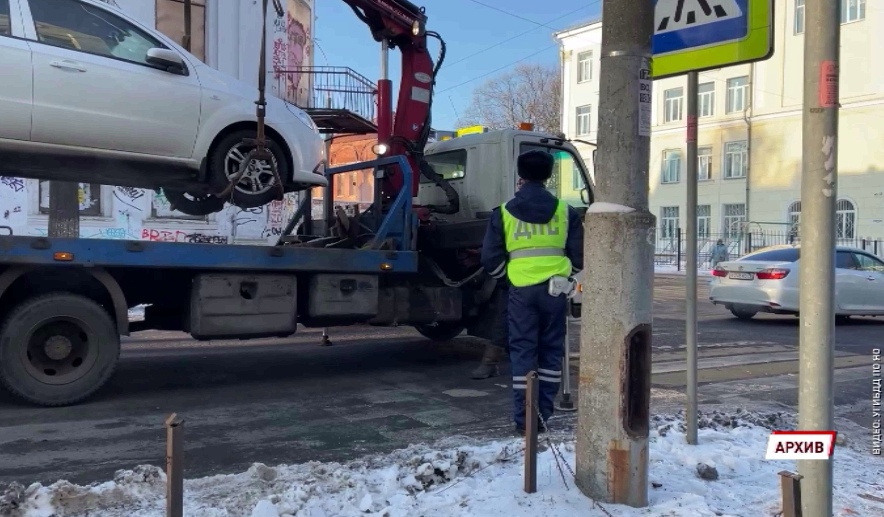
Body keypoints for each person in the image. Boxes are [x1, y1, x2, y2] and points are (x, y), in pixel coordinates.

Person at [480, 150, 584, 435]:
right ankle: (543, 415)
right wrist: (565, 278)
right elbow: (580, 257)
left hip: (521, 292)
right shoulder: (566, 211)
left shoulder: (503, 212)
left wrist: (508, 278)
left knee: (523, 352)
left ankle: (523, 418)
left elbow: (490, 258)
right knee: (551, 352)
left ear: (520, 176)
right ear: (549, 175)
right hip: (554, 292)